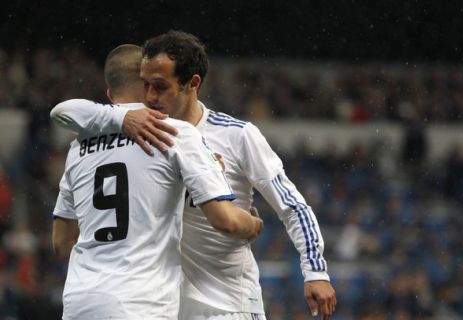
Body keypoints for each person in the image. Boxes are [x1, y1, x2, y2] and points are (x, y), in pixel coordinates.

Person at [52, 31, 337, 319]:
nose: (149, 97)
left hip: (226, 305)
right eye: (145, 85)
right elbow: (68, 111)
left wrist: (315, 270)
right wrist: (121, 117)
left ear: (192, 83)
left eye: (160, 87)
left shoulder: (236, 136)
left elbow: (292, 206)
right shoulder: (138, 137)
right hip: (167, 307)